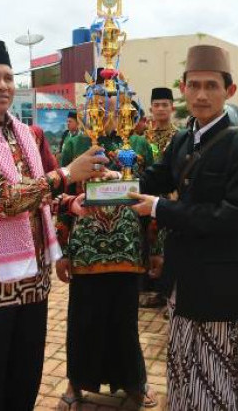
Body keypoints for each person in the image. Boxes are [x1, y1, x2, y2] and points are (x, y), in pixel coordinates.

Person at [0, 40, 106, 411]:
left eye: (8, 77)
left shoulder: (25, 135)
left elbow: (37, 197)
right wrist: (65, 175)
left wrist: (69, 202)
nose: (3, 85)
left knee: (26, 377)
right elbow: (3, 198)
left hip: (32, 281)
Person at [128, 44, 238, 410]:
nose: (202, 94)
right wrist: (113, 183)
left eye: (211, 85)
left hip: (219, 283)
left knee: (218, 371)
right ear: (183, 89)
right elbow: (154, 178)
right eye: (194, 85)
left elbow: (232, 216)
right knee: (184, 365)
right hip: (182, 278)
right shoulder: (184, 139)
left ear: (229, 91)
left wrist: (160, 209)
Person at [56, 93, 158, 409]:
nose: (106, 110)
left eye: (114, 105)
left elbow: (155, 193)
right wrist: (62, 250)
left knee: (125, 323)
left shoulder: (141, 145)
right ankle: (75, 382)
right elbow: (60, 192)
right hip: (86, 248)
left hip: (129, 248)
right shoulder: (75, 144)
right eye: (98, 104)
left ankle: (134, 382)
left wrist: (155, 247)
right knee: (83, 319)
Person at [140, 87, 179, 309]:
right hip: (145, 196)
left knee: (167, 246)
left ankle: (167, 295)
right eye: (157, 105)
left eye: (165, 104)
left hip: (170, 200)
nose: (161, 108)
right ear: (151, 108)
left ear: (172, 108)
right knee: (147, 242)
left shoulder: (180, 136)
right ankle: (149, 290)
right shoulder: (142, 137)